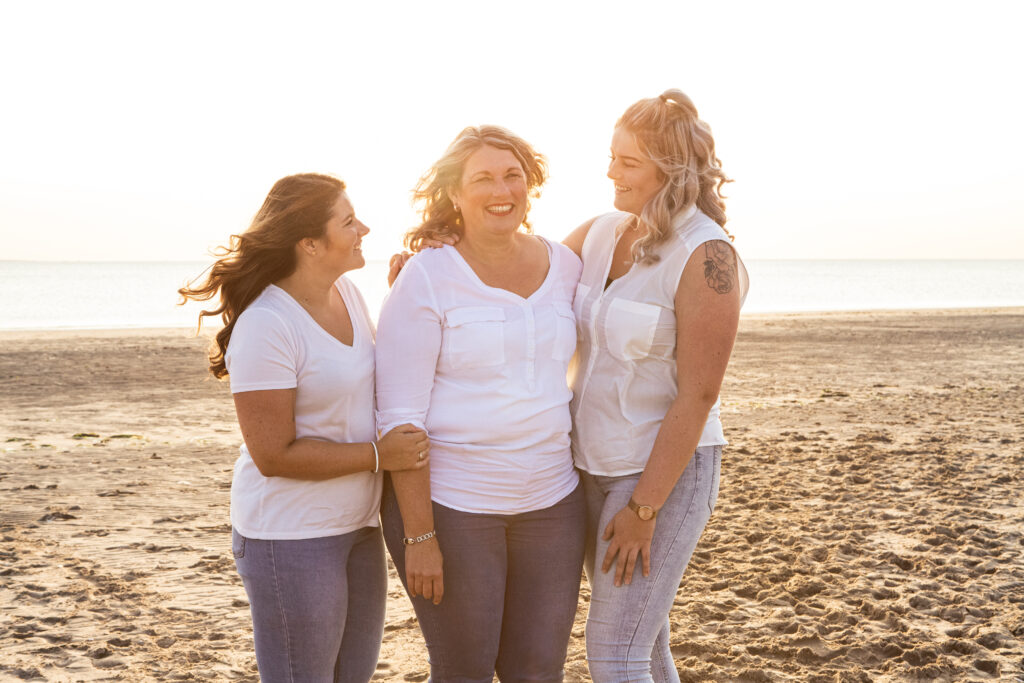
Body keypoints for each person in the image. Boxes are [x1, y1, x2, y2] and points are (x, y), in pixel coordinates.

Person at [178, 173, 430, 683]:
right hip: (290, 537)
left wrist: (409, 290)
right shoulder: (268, 323)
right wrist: (380, 456)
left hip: (359, 527)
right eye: (348, 220)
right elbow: (274, 454)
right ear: (310, 243)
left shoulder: (350, 294)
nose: (364, 227)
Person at [375, 126, 586, 682]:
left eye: (513, 175)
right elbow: (400, 419)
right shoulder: (426, 276)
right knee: (464, 670)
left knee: (539, 671)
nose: (502, 189)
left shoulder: (566, 265)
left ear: (530, 185)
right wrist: (419, 536)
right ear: (455, 193)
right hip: (453, 505)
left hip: (552, 503)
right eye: (484, 178)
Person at [561, 89, 749, 682]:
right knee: (646, 639)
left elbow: (699, 394)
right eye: (612, 157)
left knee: (615, 650)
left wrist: (644, 508)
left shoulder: (705, 255)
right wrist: (432, 258)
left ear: (670, 170)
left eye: (628, 162)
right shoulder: (597, 233)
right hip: (589, 468)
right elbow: (516, 279)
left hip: (662, 474)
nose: (610, 172)